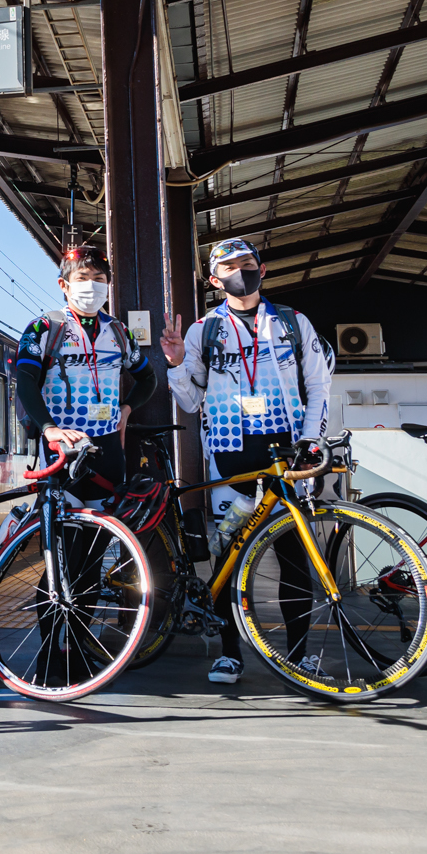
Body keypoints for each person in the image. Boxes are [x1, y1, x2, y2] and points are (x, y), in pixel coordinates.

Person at [160, 238, 333, 685]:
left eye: (248, 263)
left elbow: (318, 386)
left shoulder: (294, 323)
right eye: (230, 266)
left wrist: (312, 439)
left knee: (295, 558)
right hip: (230, 455)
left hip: (288, 454)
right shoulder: (205, 329)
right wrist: (177, 363)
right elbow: (191, 399)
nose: (241, 271)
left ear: (262, 269)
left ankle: (298, 655)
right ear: (214, 280)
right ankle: (230, 653)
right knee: (229, 560)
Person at [13, 244, 159, 496]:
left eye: (99, 279)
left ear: (107, 285)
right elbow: (25, 380)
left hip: (109, 445)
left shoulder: (119, 331)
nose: (91, 285)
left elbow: (148, 378)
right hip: (63, 444)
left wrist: (126, 409)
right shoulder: (44, 327)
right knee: (64, 529)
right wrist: (49, 428)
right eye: (82, 278)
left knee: (106, 530)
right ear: (64, 285)